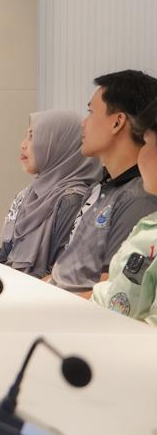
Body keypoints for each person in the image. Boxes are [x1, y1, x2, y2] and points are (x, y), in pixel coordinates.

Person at [48, 70, 157, 295]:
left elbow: (114, 297)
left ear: (117, 122)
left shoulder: (139, 199)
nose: (83, 123)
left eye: (90, 112)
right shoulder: (102, 188)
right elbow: (64, 274)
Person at [0, 110, 100, 277]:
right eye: (26, 136)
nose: (23, 144)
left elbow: (60, 272)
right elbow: (4, 254)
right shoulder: (27, 195)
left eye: (32, 136)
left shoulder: (71, 200)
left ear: (60, 145)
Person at [92, 100, 157, 324]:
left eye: (146, 143)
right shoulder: (148, 224)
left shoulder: (137, 202)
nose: (140, 155)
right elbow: (112, 292)